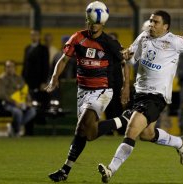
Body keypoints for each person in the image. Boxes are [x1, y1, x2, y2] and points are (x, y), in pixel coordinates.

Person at [97, 10, 183, 183]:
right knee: (147, 134)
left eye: (156, 22)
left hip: (156, 95)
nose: (151, 24)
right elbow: (131, 58)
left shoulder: (174, 41)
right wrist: (126, 56)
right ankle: (179, 143)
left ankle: (110, 170)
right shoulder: (144, 37)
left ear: (165, 26)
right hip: (140, 93)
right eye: (151, 21)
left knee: (131, 131)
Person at [45, 1, 130, 182]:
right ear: (87, 20)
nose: (94, 26)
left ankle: (64, 170)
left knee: (82, 126)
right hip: (82, 91)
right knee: (86, 133)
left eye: (97, 23)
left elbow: (124, 63)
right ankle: (65, 170)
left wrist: (126, 87)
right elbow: (63, 59)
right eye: (91, 22)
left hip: (102, 90)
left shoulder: (110, 43)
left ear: (103, 23)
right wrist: (54, 77)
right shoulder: (77, 38)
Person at [0, 60, 36, 137]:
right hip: (6, 103)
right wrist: (14, 102)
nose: (10, 68)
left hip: (20, 103)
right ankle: (16, 132)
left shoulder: (19, 78)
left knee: (32, 111)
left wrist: (28, 101)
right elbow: (0, 94)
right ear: (5, 68)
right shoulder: (1, 79)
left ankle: (13, 127)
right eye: (8, 67)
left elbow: (25, 91)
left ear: (15, 68)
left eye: (12, 67)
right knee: (18, 112)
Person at [22, 29, 50, 133]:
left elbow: (46, 66)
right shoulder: (27, 48)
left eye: (35, 35)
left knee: (39, 104)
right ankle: (28, 129)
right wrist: (22, 80)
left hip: (39, 82)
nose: (33, 37)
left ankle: (39, 127)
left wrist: (43, 81)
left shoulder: (43, 49)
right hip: (27, 82)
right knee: (28, 104)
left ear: (39, 36)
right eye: (32, 35)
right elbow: (25, 66)